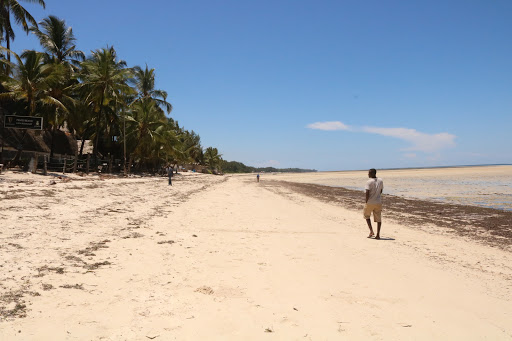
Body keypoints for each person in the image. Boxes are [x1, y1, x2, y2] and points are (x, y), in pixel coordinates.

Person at [364, 168, 383, 239]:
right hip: (378, 202)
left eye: (369, 173)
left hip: (370, 202)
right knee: (379, 219)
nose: (368, 174)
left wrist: (366, 201)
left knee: (366, 216)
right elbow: (381, 190)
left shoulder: (369, 182)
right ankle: (378, 234)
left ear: (372, 173)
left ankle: (371, 231)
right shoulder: (380, 180)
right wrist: (377, 196)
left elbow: (367, 192)